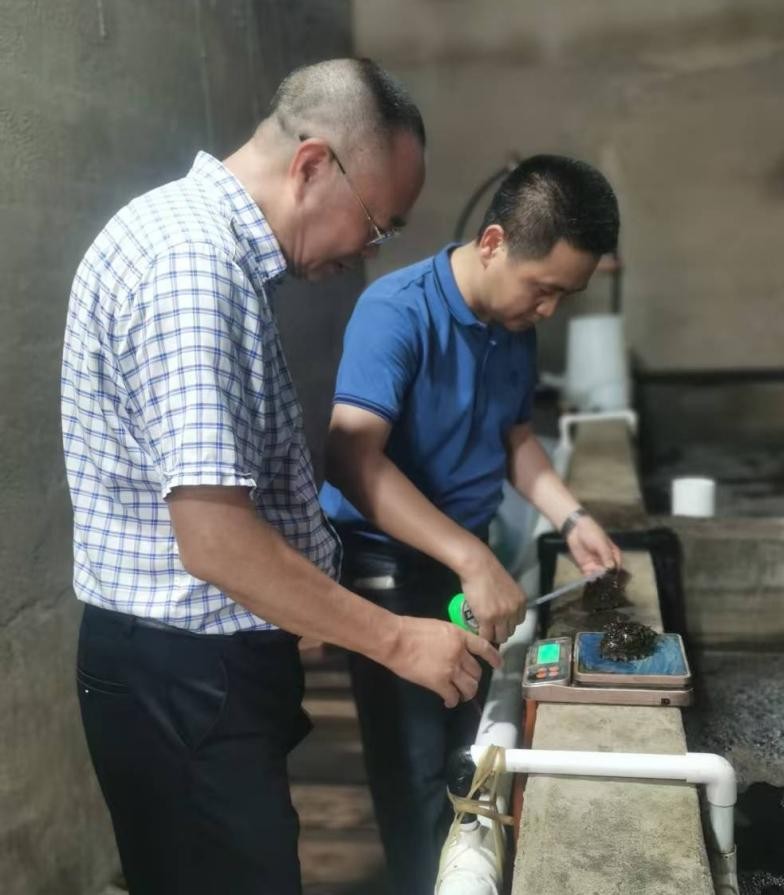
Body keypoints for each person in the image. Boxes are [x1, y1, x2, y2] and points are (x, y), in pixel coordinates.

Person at [61, 57, 500, 895]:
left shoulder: (201, 246)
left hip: (194, 671)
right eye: (375, 224)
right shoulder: (192, 266)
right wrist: (396, 637)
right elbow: (215, 542)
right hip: (181, 680)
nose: (367, 251)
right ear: (311, 165)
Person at [321, 154, 624, 894]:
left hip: (464, 558)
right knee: (417, 770)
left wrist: (571, 516)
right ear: (493, 243)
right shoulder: (396, 312)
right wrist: (472, 558)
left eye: (565, 295)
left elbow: (516, 438)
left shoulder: (510, 323)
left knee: (474, 743)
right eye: (543, 288)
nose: (548, 310)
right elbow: (353, 461)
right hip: (389, 569)